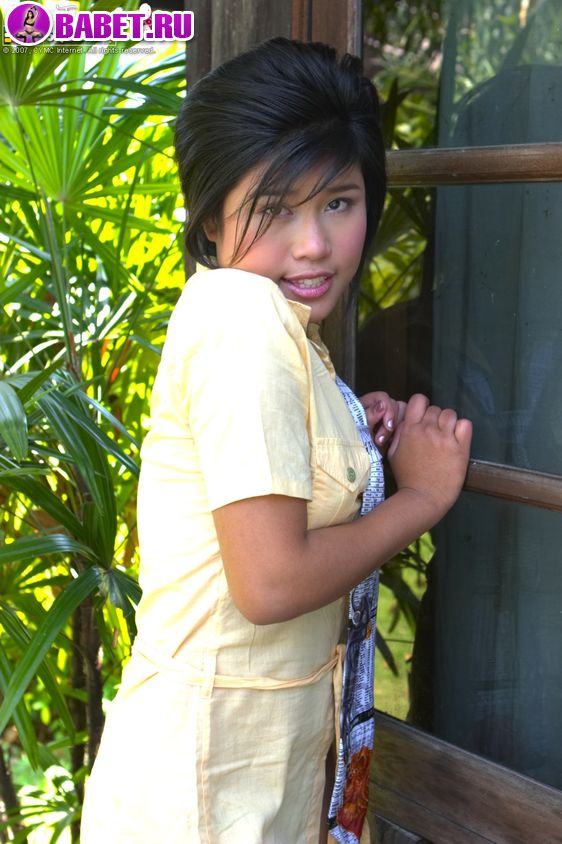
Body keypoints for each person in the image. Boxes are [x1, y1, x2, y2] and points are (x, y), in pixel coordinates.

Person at [80, 37, 472, 844]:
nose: (314, 244)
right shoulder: (243, 318)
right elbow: (270, 582)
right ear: (210, 217)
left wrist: (352, 435)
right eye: (275, 209)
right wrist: (424, 497)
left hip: (235, 775)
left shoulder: (283, 330)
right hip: (203, 793)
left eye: (339, 203)